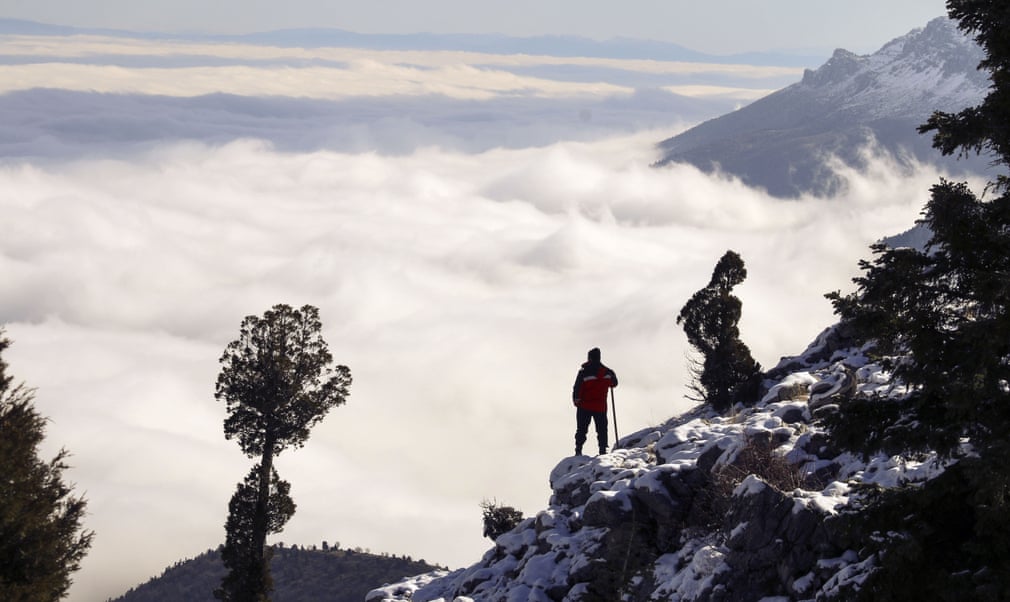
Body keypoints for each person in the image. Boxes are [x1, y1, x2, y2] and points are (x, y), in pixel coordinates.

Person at [572, 347, 618, 456]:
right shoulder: (607, 372)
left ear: (589, 358)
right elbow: (614, 383)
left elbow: (577, 388)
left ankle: (578, 450)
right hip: (600, 407)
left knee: (581, 429)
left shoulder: (583, 372)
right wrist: (612, 375)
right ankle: (602, 450)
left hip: (584, 406)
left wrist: (576, 401)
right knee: (602, 429)